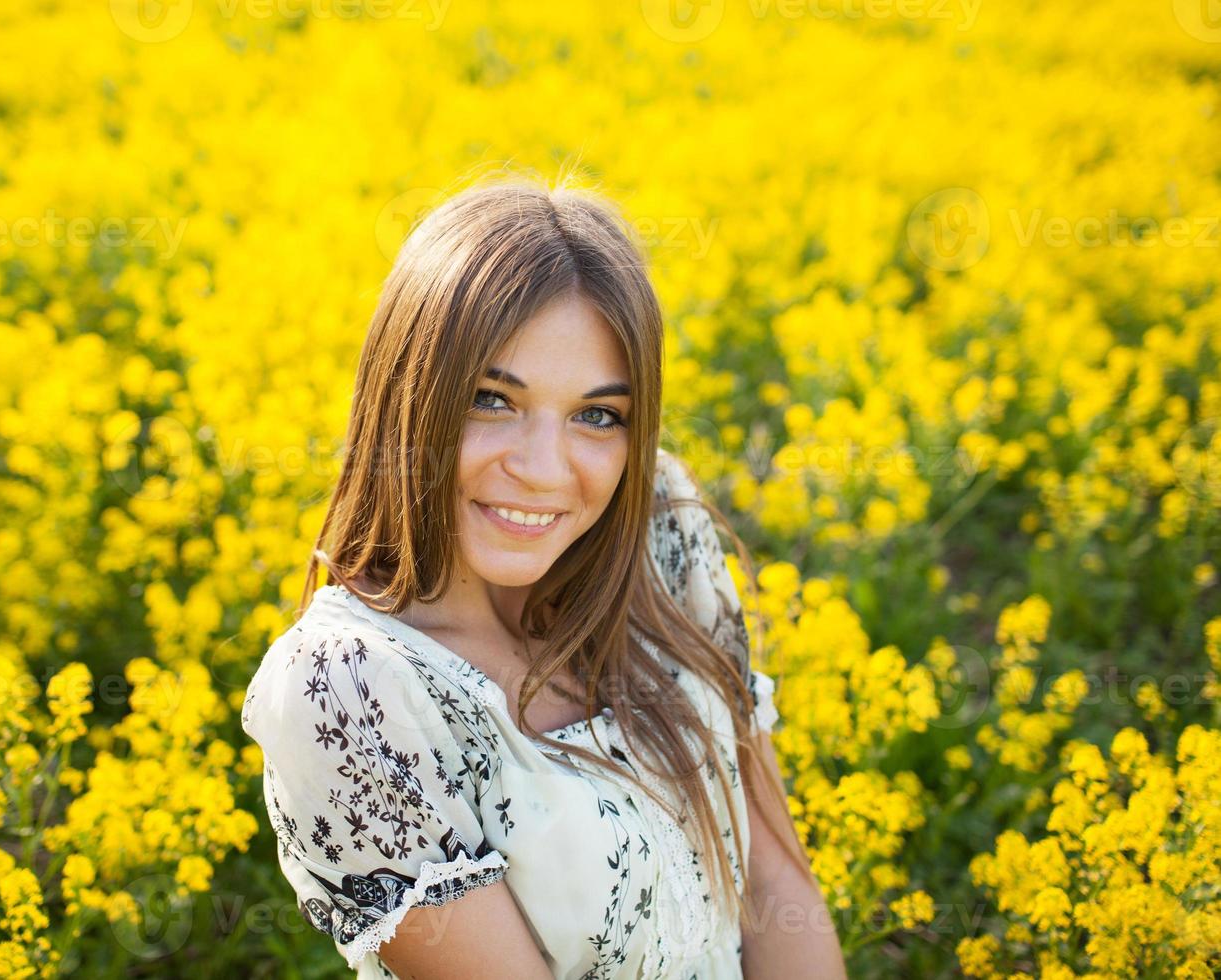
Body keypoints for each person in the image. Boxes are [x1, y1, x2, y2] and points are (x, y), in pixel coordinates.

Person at [241, 176, 845, 979]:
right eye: (492, 400)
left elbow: (778, 888)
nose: (542, 470)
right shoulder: (346, 689)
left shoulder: (660, 525)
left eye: (598, 415)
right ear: (407, 399)